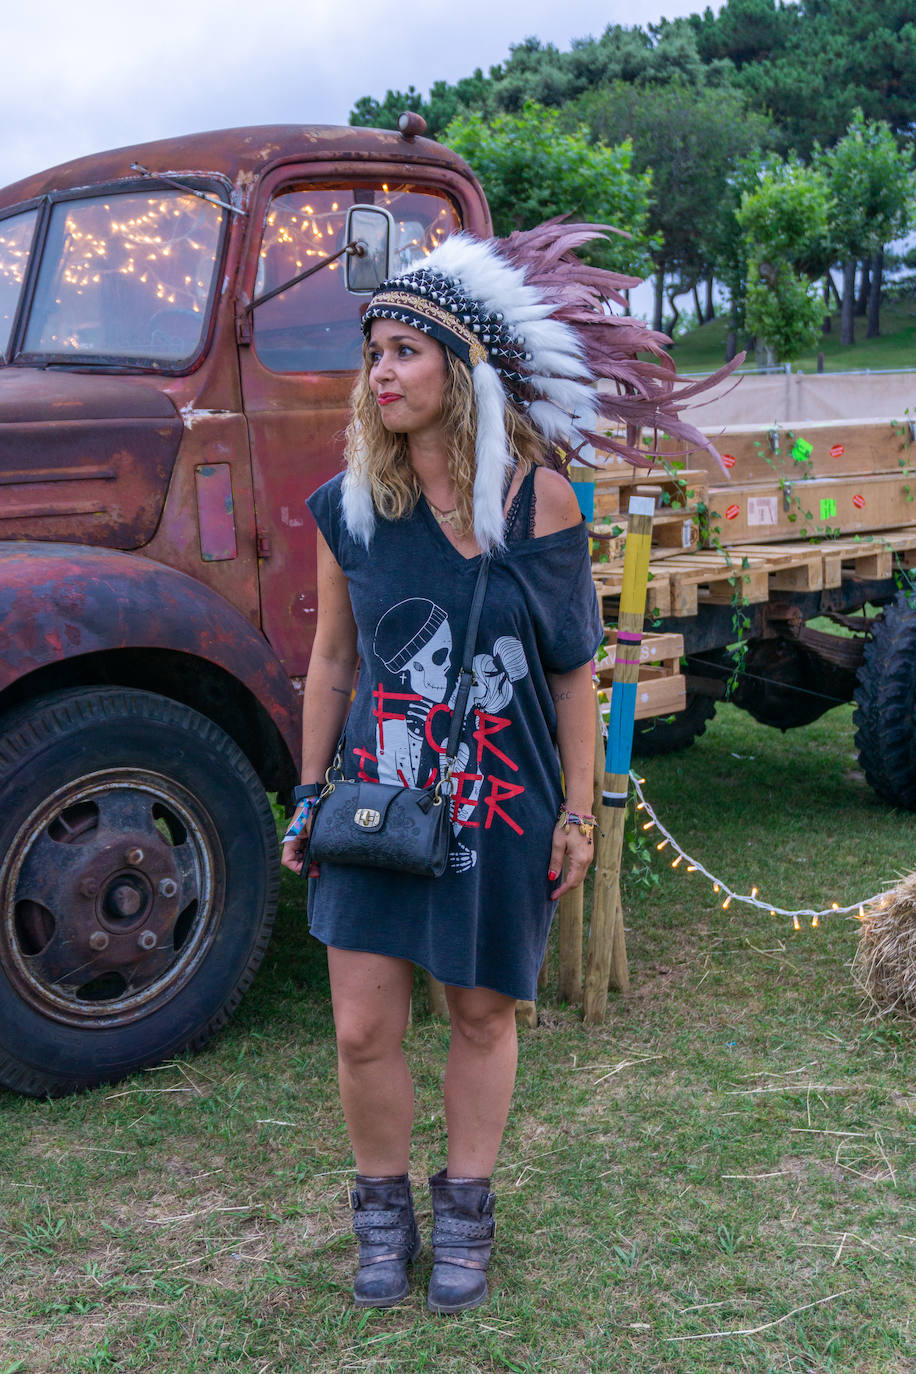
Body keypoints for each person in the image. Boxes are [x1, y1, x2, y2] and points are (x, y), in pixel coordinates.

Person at [281, 222, 734, 1313]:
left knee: (482, 1015)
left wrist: (576, 813)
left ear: (461, 369)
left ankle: (469, 1215)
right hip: (378, 803)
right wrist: (305, 792)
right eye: (372, 352)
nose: (380, 373)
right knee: (360, 1026)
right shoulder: (351, 507)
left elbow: (575, 672)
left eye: (404, 351)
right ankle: (383, 1217)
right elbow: (331, 662)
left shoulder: (539, 504)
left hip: (499, 799)